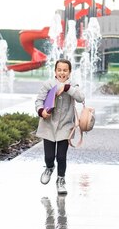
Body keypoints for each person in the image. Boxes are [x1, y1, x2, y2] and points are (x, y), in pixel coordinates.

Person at [35, 59, 85, 194]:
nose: (62, 73)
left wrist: (67, 88)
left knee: (61, 156)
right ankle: (49, 167)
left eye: (65, 70)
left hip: (65, 125)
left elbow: (81, 98)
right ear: (55, 71)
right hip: (48, 125)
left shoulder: (73, 85)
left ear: (69, 72)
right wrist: (41, 111)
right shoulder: (48, 84)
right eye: (59, 70)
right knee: (49, 156)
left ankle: (61, 180)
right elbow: (39, 101)